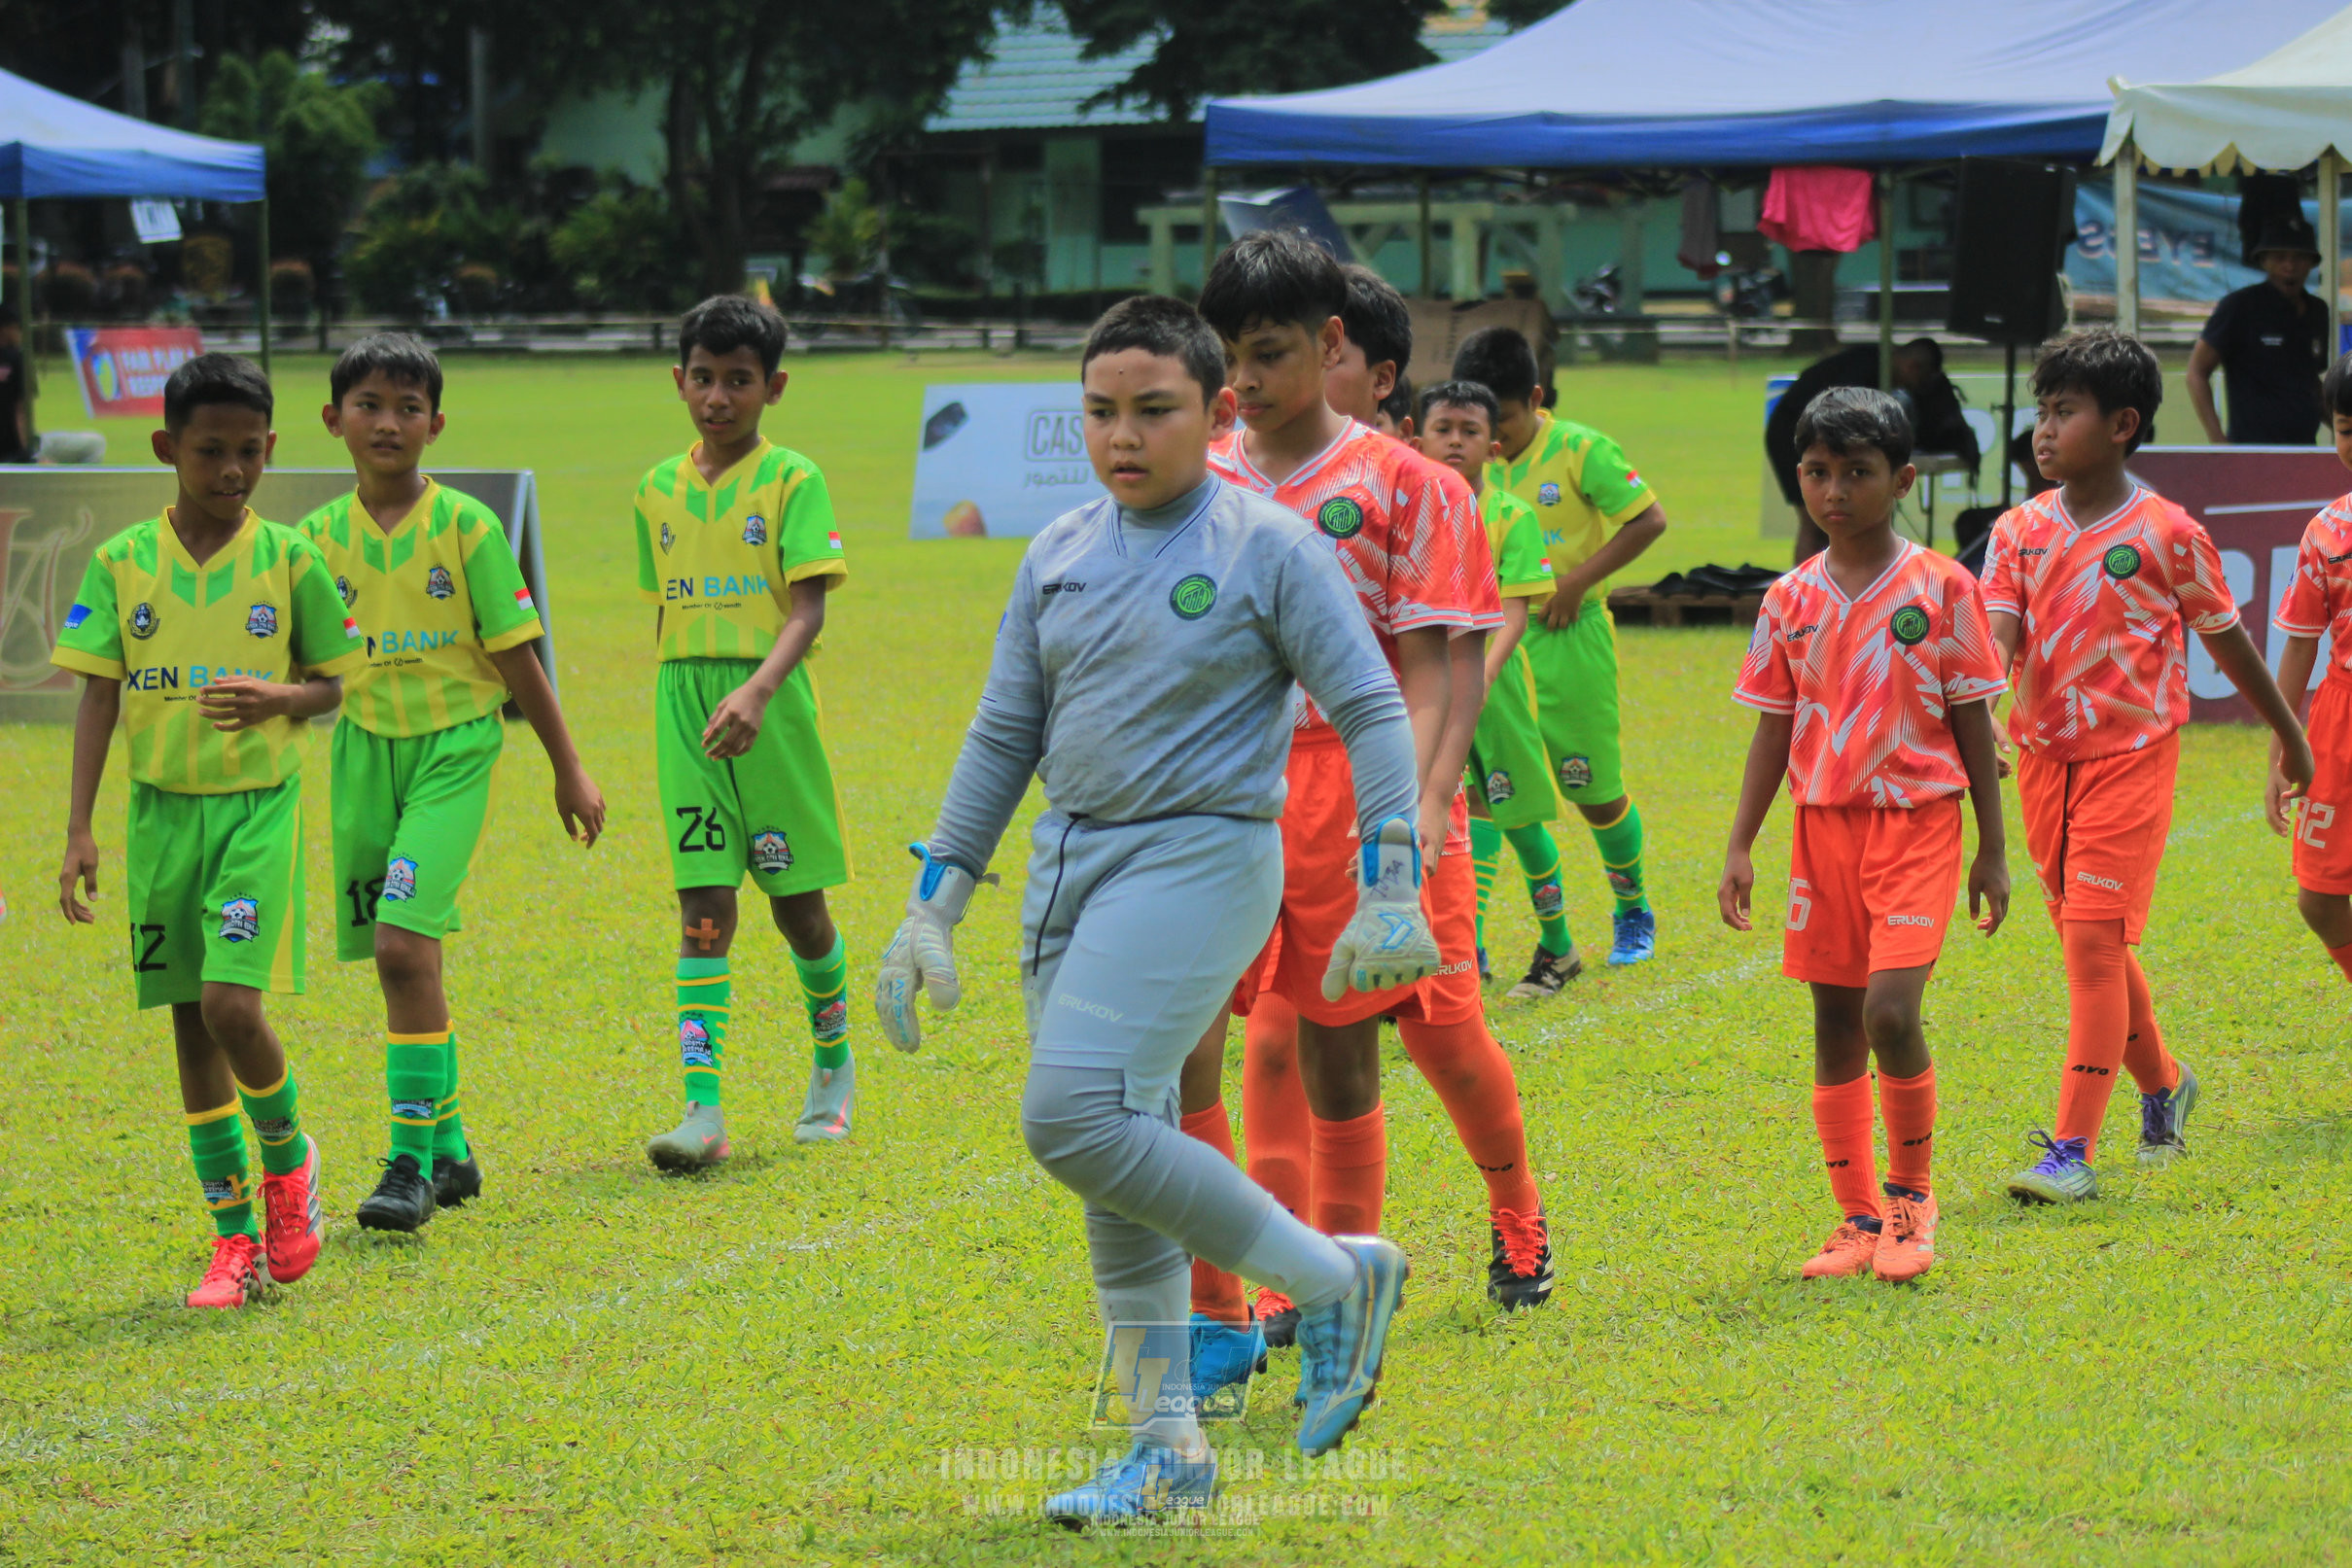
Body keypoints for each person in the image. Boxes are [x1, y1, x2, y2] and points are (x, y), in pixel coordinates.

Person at [872, 295, 1424, 1523]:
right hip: (1073, 870)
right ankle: (1165, 1442)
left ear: (1217, 412)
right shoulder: (1058, 548)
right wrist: (933, 905)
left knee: (1068, 1115)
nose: (1123, 437)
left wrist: (1394, 878)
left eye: (1154, 411)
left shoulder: (1266, 546)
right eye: (1100, 413)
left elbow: (1376, 705)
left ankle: (1330, 1277)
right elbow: (1004, 731)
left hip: (1205, 860)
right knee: (1113, 1159)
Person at [51, 354, 362, 1307]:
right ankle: (234, 1242)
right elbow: (99, 693)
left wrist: (281, 695)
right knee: (191, 1026)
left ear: (272, 447)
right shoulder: (121, 563)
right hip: (161, 817)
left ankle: (289, 1158)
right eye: (210, 450)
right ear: (167, 448)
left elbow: (335, 684)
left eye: (250, 451)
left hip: (255, 810)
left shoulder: (292, 560)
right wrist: (79, 830)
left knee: (233, 1004)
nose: (233, 470)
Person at [1983, 329, 2314, 1202]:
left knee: (2091, 940)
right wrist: (1982, 708)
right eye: (2039, 412)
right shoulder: (2016, 531)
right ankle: (2164, 1083)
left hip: (2131, 759)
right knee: (2091, 940)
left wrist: (2289, 733)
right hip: (2045, 762)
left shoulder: (2168, 532)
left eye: (2064, 412)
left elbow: (2231, 644)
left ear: (2123, 423)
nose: (2043, 431)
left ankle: (2069, 1153)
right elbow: (1998, 636)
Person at [298, 333, 608, 1231]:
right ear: (333, 420)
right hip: (361, 753)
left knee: (399, 945)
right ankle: (454, 1149)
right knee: (409, 956)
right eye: (368, 405)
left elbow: (518, 654)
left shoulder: (468, 526)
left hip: (453, 752)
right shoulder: (315, 538)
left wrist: (567, 764)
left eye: (406, 407)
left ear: (436, 422)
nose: (387, 422)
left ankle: (405, 1164)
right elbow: (299, 659)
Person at [1719, 388, 2012, 1281]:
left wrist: (1991, 848)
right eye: (1816, 472)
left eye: (1856, 472)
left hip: (1917, 826)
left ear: (1903, 480)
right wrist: (1740, 843)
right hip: (1821, 832)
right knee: (1835, 1021)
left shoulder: (1943, 587)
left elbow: (1973, 722)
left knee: (1890, 1011)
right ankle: (1852, 1220)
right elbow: (1773, 726)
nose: (1834, 490)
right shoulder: (1788, 598)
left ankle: (1911, 1201)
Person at [635, 296, 856, 1168]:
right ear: (678, 379)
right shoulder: (654, 488)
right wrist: (676, 712)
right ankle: (702, 1108)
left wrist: (760, 692)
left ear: (774, 386)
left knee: (797, 909)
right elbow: (662, 613)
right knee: (702, 909)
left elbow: (808, 610)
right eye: (702, 378)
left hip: (770, 705)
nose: (717, 397)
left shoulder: (793, 479)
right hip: (682, 709)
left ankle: (833, 1067)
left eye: (738, 381)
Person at [1454, 324, 1664, 966]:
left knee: (1591, 788)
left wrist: (1575, 582)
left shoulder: (1579, 450)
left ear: (1536, 398)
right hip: (1490, 647)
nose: (1494, 437)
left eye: (1507, 421)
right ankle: (1470, 937)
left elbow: (1647, 519)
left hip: (1568, 637)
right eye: (1482, 422)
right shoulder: (1464, 462)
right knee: (1486, 788)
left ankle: (1632, 910)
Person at [1414, 377, 1581, 996]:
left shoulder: (1513, 516)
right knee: (1457, 809)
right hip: (1428, 688)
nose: (1456, 442)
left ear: (1494, 446)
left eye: (1471, 431)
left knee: (1516, 816)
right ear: (1416, 437)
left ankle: (1559, 947)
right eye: (1443, 429)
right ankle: (1467, 948)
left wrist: (1475, 681)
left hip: (1495, 691)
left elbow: (1513, 611)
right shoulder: (1409, 509)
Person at [2268, 352, 2352, 980]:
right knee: (2318, 898)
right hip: (2338, 724)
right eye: (2347, 428)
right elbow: (2298, 644)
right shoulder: (2324, 532)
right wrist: (2278, 752)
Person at [1764, 336, 1976, 564]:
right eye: (1919, 381)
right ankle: (1808, 593)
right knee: (1814, 523)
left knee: (1831, 525)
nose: (1914, 389)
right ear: (1912, 366)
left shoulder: (1870, 360)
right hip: (1791, 433)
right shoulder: (1866, 369)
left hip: (1804, 431)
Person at [2189, 212, 2329, 447]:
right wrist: (2218, 442)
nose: (2290, 266)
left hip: (2304, 448)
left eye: (2299, 257)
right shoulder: (2239, 307)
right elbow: (2196, 372)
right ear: (2264, 261)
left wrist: (2342, 425)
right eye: (2280, 257)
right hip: (2251, 450)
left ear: (2311, 263)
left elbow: (2311, 381)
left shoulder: (2318, 310)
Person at [0, 307, 30, 463]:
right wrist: (29, 454)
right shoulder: (18, 359)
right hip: (12, 450)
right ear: (7, 329)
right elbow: (21, 411)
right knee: (94, 443)